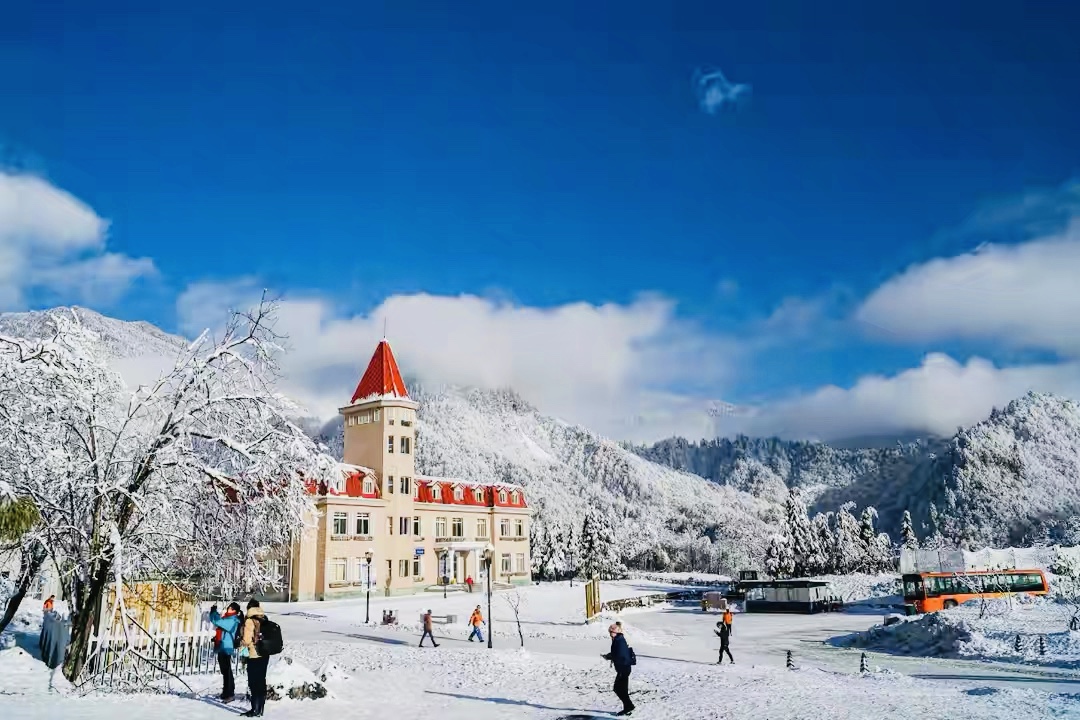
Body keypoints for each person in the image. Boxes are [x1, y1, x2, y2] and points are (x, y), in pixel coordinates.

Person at [239, 599, 269, 717]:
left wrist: (241, 641)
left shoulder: (250, 621)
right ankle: (260, 708)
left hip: (254, 654)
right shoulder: (264, 618)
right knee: (261, 681)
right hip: (265, 654)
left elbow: (246, 640)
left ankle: (254, 709)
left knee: (253, 682)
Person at [209, 602, 243, 702]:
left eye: (230, 608)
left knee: (227, 671)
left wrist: (213, 612)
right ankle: (226, 692)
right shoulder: (228, 618)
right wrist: (214, 613)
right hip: (222, 646)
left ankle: (229, 693)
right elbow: (217, 622)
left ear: (234, 610)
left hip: (226, 647)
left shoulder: (232, 620)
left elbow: (217, 621)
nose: (228, 609)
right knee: (225, 670)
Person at [601, 623, 635, 716]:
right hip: (623, 668)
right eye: (610, 632)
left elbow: (621, 655)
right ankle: (628, 706)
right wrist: (609, 656)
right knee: (621, 689)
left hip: (623, 669)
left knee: (618, 689)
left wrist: (610, 656)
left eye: (611, 632)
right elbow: (618, 653)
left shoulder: (619, 640)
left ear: (616, 632)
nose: (610, 634)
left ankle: (629, 706)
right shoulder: (618, 639)